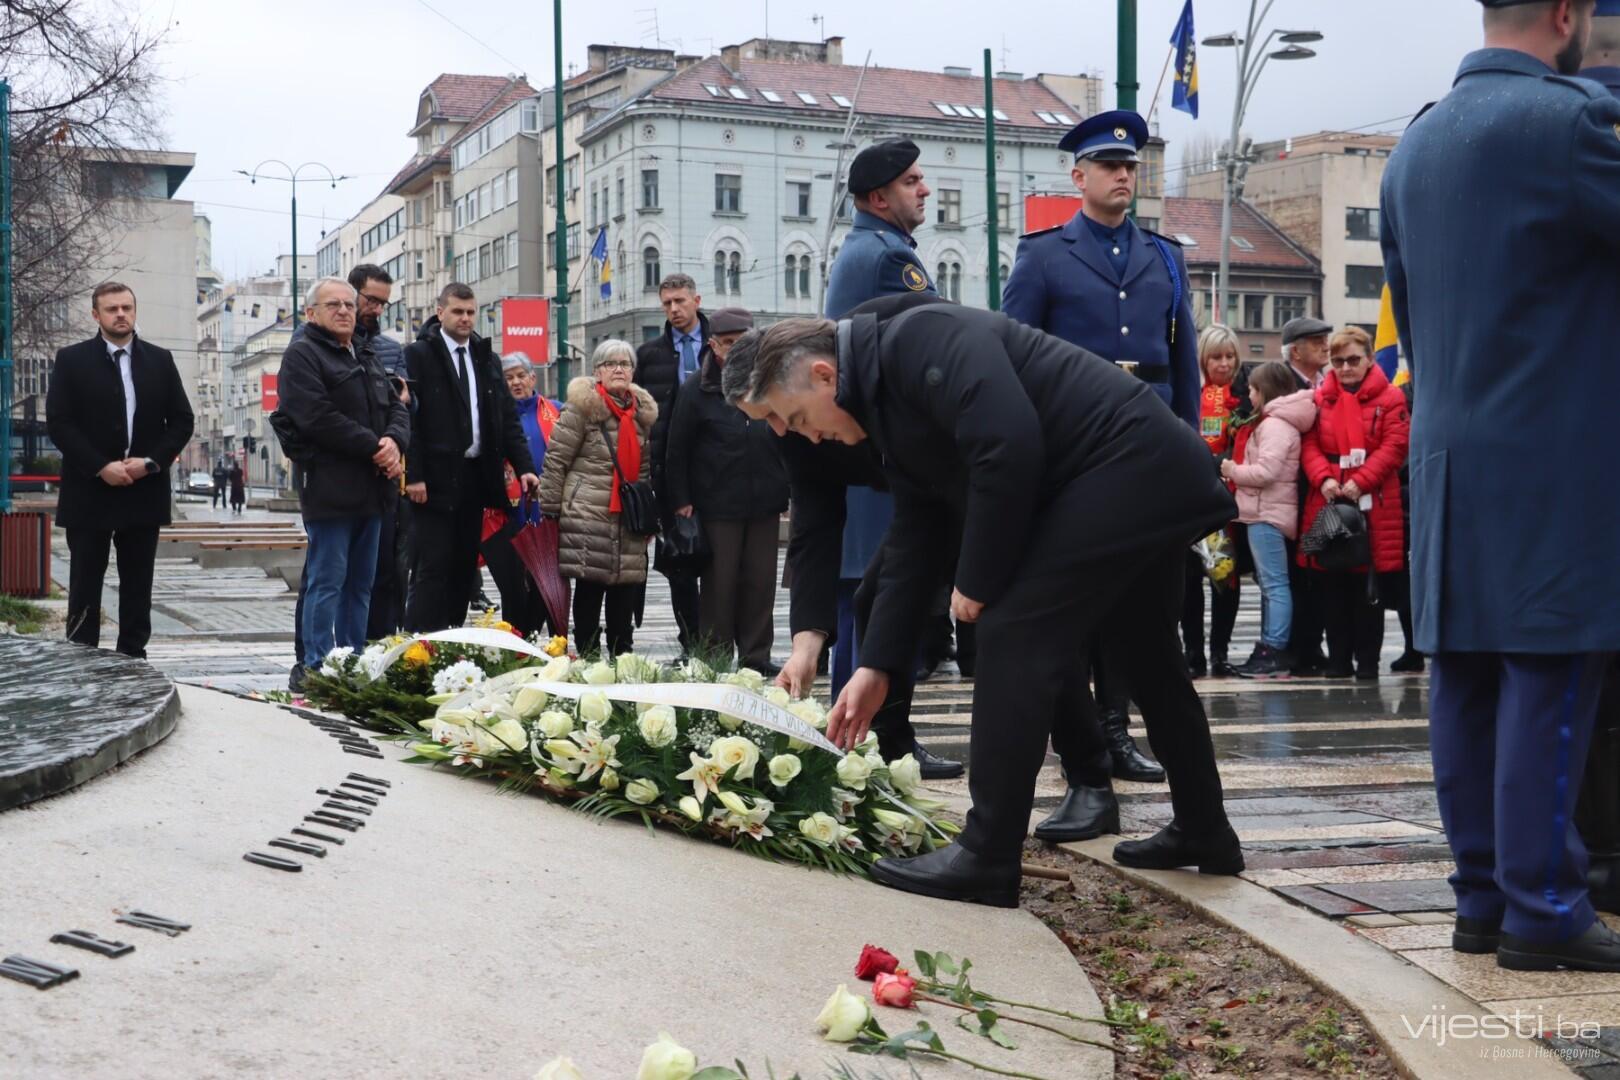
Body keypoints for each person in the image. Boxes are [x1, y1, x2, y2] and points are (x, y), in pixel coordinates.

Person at [724, 302, 1242, 905]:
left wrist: (977, 579)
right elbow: (918, 528)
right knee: (1147, 657)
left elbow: (1007, 445)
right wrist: (877, 668)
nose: (798, 435)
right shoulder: (885, 394)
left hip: (1127, 465)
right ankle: (1206, 829)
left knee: (1012, 632)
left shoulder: (921, 339)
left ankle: (988, 855)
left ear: (822, 376)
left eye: (792, 417)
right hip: (1135, 474)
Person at [1384, 0, 1620, 970]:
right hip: (1554, 453)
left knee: (1468, 677)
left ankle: (1481, 897)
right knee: (1551, 677)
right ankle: (1546, 908)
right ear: (1565, 15)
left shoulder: (1417, 141)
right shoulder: (1567, 123)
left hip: (1446, 449)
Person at [1001, 109, 1184, 812]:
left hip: (1150, 439)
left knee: (1144, 599)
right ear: (1077, 177)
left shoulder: (1164, 255)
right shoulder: (1044, 255)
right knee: (1079, 598)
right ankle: (1085, 746)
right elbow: (1016, 357)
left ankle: (1118, 728)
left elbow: (1185, 359)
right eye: (1109, 166)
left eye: (1131, 167)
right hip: (1076, 444)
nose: (1122, 176)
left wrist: (1189, 446)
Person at [775, 137, 963, 779]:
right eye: (913, 181)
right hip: (875, 460)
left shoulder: (872, 250)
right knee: (885, 599)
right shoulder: (884, 258)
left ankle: (886, 737)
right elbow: (928, 344)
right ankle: (883, 740)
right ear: (878, 197)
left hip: (868, 459)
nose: (925, 190)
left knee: (880, 599)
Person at [46, 281, 194, 659]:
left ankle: (133, 658)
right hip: (89, 490)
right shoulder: (71, 360)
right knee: (84, 583)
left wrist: (150, 463)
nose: (121, 314)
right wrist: (99, 467)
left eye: (126, 307)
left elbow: (181, 421)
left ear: (135, 310)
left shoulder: (160, 360)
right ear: (96, 315)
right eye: (112, 309)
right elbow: (60, 423)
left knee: (137, 584)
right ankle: (82, 659)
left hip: (143, 490)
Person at [276, 277, 408, 686]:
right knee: (327, 580)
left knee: (361, 585)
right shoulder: (303, 355)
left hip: (373, 490)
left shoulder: (364, 353)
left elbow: (396, 407)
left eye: (349, 305)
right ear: (310, 313)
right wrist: (376, 446)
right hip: (331, 490)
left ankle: (354, 661)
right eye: (333, 305)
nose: (344, 311)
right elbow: (317, 417)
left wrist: (395, 441)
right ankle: (318, 664)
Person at [402, 283, 538, 632]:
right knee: (432, 566)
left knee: (464, 566)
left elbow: (506, 418)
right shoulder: (418, 355)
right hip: (432, 480)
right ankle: (420, 644)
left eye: (470, 312)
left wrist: (524, 467)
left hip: (475, 477)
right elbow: (409, 419)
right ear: (440, 312)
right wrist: (413, 474)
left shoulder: (486, 357)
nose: (465, 318)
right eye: (458, 311)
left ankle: (450, 637)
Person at [665, 307, 788, 671]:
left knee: (760, 582)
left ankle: (756, 656)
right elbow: (677, 448)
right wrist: (682, 500)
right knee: (720, 586)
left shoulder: (770, 383)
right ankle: (716, 657)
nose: (737, 349)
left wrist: (786, 487)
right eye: (730, 343)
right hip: (717, 504)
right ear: (713, 346)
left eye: (744, 342)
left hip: (764, 499)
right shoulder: (697, 388)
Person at [1296, 327, 1409, 680]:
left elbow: (1395, 447)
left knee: (1367, 592)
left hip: (1371, 502)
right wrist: (1325, 479)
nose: (1345, 368)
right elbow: (1309, 444)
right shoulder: (1319, 397)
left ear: (1370, 359)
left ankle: (1367, 663)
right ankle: (1338, 660)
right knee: (1331, 587)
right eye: (1338, 361)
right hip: (1329, 500)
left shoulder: (1390, 398)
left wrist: (1359, 481)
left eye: (1353, 360)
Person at [539, 340, 657, 657]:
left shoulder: (642, 415)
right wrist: (550, 511)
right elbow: (556, 460)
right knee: (590, 589)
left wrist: (646, 516)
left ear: (633, 371)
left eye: (625, 363)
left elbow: (643, 472)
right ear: (597, 371)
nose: (618, 368)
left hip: (628, 519)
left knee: (625, 590)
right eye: (609, 363)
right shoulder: (581, 409)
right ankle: (588, 657)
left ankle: (621, 660)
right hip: (587, 515)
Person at [1223, 363, 1316, 678]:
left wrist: (1231, 470)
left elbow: (1266, 472)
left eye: (1252, 389)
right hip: (1266, 511)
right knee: (1271, 583)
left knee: (1274, 584)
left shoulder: (1275, 425)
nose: (1248, 394)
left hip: (1267, 513)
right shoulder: (1278, 421)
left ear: (1265, 391)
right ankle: (1271, 647)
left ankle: (1273, 649)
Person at [639, 273, 709, 659]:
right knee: (680, 564)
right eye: (667, 303)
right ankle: (691, 643)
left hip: (715, 471)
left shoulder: (717, 347)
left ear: (696, 300)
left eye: (680, 301)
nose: (674, 309)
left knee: (719, 563)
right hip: (667, 474)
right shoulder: (650, 355)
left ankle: (719, 641)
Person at [479, 351, 562, 638]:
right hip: (505, 516)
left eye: (520, 376)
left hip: (548, 514)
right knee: (512, 587)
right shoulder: (490, 418)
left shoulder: (557, 411)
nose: (515, 383)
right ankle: (516, 643)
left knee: (548, 585)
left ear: (532, 378)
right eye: (508, 378)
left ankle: (550, 644)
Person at [1188, 324, 1246, 677]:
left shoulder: (1245, 394)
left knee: (1225, 580)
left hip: (1230, 503)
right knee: (1190, 583)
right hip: (1193, 502)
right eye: (1216, 357)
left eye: (1230, 356)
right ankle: (1192, 653)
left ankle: (1220, 653)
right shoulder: (1192, 394)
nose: (1224, 364)